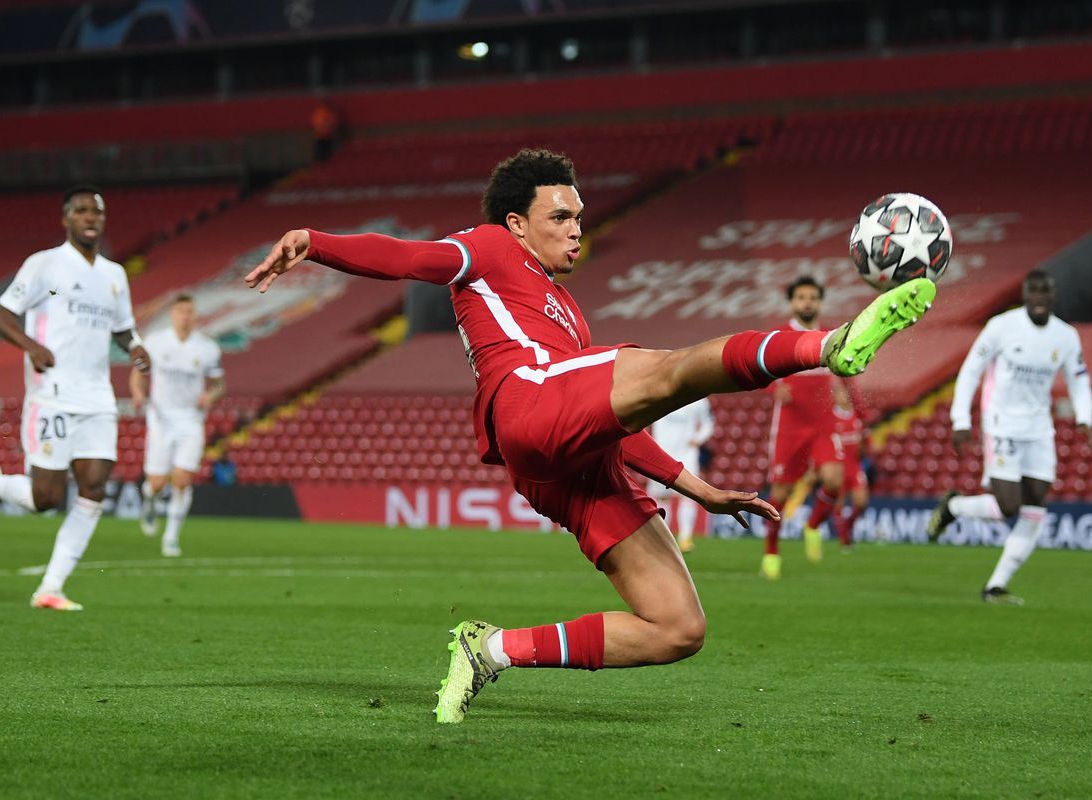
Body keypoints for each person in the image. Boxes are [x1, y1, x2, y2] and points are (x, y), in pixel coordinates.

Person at [244, 149, 936, 723]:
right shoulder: (488, 247)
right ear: (517, 223)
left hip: (569, 461)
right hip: (526, 402)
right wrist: (315, 243)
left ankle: (492, 650)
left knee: (678, 628)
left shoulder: (568, 314)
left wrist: (696, 488)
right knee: (670, 368)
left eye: (580, 216)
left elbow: (611, 423)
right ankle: (828, 345)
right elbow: (410, 259)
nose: (577, 229)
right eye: (561, 216)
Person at [0, 185, 150, 611]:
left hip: (98, 396)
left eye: (97, 211)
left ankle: (51, 587)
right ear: (65, 219)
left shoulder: (114, 275)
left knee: (94, 487)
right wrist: (31, 346)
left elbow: (123, 328)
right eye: (81, 210)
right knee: (45, 499)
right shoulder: (45, 265)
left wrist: (137, 346)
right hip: (52, 393)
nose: (90, 217)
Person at [928, 270, 1092, 604]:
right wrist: (961, 419)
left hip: (1039, 429)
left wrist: (1084, 417)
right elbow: (970, 371)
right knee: (1007, 506)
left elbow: (1078, 378)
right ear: (1025, 295)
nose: (1040, 297)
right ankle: (954, 507)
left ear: (1053, 296)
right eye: (1034, 291)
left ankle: (996, 586)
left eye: (1045, 291)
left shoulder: (1066, 336)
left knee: (1035, 507)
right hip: (1002, 424)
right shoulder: (1001, 327)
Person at [759, 277, 850, 580]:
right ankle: (771, 550)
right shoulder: (779, 335)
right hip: (791, 424)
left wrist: (839, 388)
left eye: (812, 297)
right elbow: (760, 368)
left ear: (820, 302)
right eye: (801, 297)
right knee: (780, 493)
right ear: (792, 302)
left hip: (824, 422)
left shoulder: (831, 335)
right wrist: (775, 388)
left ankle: (813, 526)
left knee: (834, 481)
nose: (807, 302)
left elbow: (836, 369)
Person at [131, 293, 224, 558]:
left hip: (191, 419)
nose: (186, 316)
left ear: (195, 316)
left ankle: (171, 537)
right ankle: (150, 501)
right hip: (161, 418)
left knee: (182, 480)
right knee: (157, 483)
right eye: (181, 311)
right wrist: (138, 393)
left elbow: (219, 384)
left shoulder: (207, 348)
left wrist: (211, 396)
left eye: (190, 312)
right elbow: (138, 373)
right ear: (172, 315)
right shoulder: (155, 342)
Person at [646, 398, 715, 553]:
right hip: (661, 452)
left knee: (688, 495)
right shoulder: (661, 392)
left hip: (687, 453)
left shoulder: (698, 398)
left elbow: (709, 423)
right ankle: (664, 538)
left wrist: (698, 439)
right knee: (662, 497)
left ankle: (685, 538)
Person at [831, 403, 869, 550]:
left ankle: (846, 528)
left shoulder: (856, 417)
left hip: (855, 467)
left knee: (861, 502)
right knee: (839, 505)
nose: (843, 396)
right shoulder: (832, 417)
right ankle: (844, 540)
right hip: (839, 468)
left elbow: (865, 440)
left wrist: (864, 447)